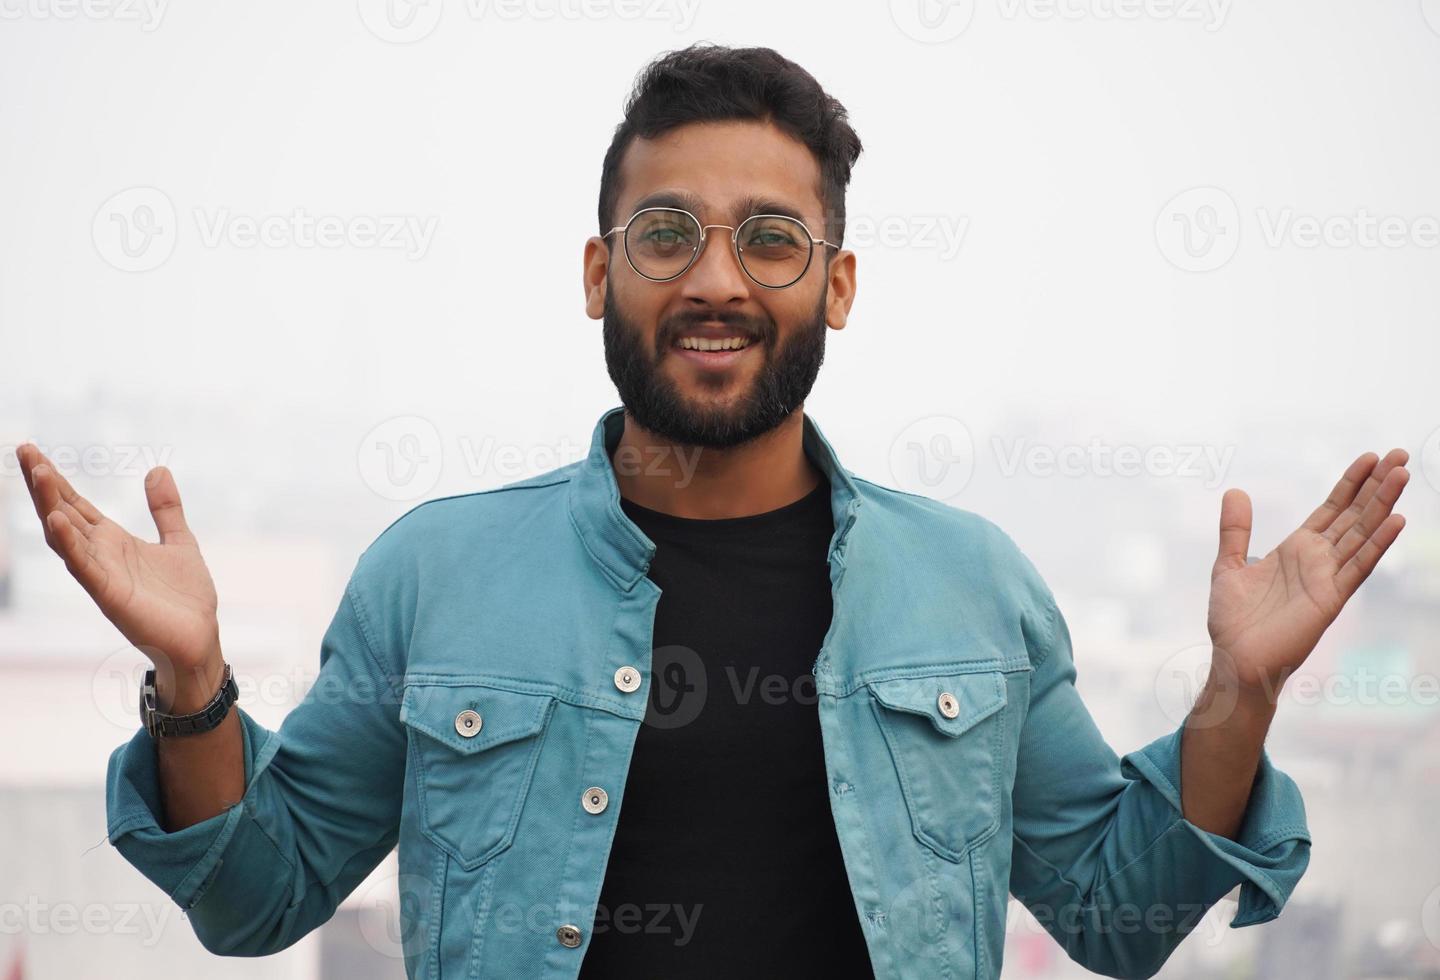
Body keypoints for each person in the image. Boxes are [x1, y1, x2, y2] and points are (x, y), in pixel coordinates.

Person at [14, 42, 1410, 980]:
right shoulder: (433, 575)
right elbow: (259, 896)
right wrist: (192, 687)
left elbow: (1120, 914)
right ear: (596, 271)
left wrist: (1237, 697)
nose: (716, 279)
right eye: (666, 232)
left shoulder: (974, 587)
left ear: (839, 287)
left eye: (772, 237)